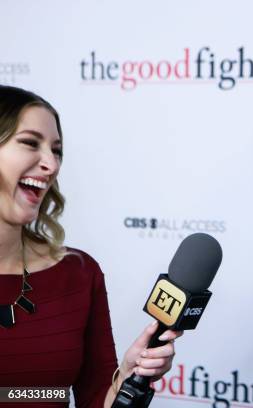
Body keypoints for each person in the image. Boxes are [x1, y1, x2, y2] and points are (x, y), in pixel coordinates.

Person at [0, 85, 181, 407]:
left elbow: (92, 396)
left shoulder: (77, 272)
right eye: (30, 143)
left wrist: (125, 379)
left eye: (56, 150)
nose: (51, 165)